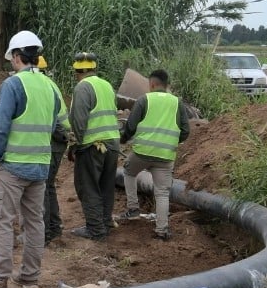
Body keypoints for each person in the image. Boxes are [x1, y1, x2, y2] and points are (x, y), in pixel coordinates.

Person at [0, 30, 62, 288]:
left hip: (13, 166)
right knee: (34, 222)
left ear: (17, 56)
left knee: (0, 220)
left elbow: (2, 127)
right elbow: (55, 126)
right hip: (40, 166)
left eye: (12, 58)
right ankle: (30, 276)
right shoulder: (52, 87)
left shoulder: (13, 86)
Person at [120, 69, 190, 240]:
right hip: (166, 155)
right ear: (167, 85)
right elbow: (186, 131)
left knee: (128, 171)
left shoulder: (144, 100)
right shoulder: (177, 103)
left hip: (143, 152)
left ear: (151, 84)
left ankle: (133, 209)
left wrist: (123, 139)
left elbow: (130, 126)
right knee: (162, 192)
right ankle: (162, 230)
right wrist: (172, 141)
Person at [67, 52, 121, 242]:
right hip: (112, 143)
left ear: (77, 71)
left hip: (93, 145)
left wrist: (75, 145)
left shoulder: (83, 87)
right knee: (106, 186)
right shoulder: (106, 85)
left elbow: (78, 120)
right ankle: (105, 222)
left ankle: (96, 230)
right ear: (94, 68)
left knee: (87, 186)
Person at [37, 56, 73, 244]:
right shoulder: (49, 83)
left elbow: (55, 121)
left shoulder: (44, 86)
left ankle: (44, 233)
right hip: (58, 139)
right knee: (48, 185)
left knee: (42, 186)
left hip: (55, 140)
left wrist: (61, 136)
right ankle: (54, 227)